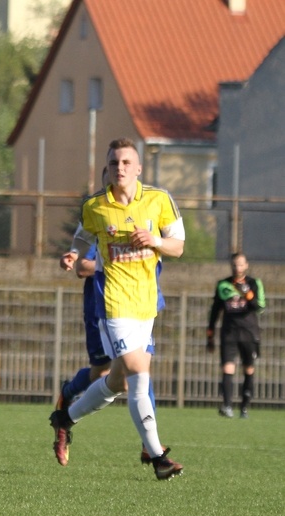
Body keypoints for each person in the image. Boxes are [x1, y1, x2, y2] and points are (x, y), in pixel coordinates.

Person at [49, 137, 185, 480]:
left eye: (126, 162)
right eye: (114, 163)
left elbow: (178, 246)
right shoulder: (96, 206)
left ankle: (66, 418)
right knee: (139, 373)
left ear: (139, 168)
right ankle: (158, 457)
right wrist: (72, 253)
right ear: (107, 170)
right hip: (115, 303)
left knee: (117, 383)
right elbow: (82, 237)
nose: (120, 168)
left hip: (146, 304)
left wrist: (155, 240)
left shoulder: (159, 200)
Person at [207, 252, 265, 418]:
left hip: (249, 333)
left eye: (240, 264)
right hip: (229, 332)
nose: (237, 267)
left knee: (249, 369)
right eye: (234, 264)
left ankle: (244, 408)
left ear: (246, 265)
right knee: (227, 367)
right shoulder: (223, 284)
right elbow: (215, 311)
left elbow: (259, 307)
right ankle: (227, 406)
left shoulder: (254, 283)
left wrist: (247, 294)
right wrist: (210, 333)